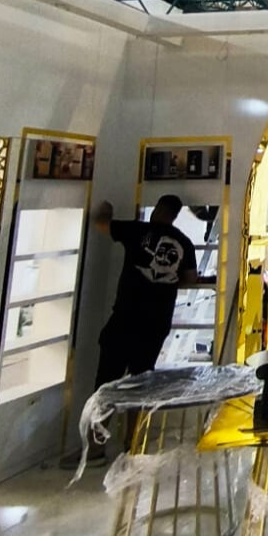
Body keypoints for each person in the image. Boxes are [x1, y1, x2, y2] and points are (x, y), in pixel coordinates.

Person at [85, 195, 204, 462]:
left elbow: (102, 225)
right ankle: (133, 443)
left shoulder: (137, 231)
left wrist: (105, 207)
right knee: (141, 384)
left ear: (158, 209)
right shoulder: (184, 243)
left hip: (125, 318)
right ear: (175, 214)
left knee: (107, 382)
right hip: (155, 323)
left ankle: (96, 446)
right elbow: (190, 278)